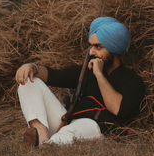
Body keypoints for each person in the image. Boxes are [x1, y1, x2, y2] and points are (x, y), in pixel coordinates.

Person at [15, 17, 145, 146]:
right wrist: (33, 67)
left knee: (74, 130)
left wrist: (99, 75)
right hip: (67, 121)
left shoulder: (133, 81)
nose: (91, 51)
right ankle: (41, 135)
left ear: (113, 49)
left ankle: (48, 146)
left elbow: (118, 109)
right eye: (91, 46)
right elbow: (54, 75)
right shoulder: (85, 70)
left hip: (96, 127)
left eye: (98, 47)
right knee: (28, 82)